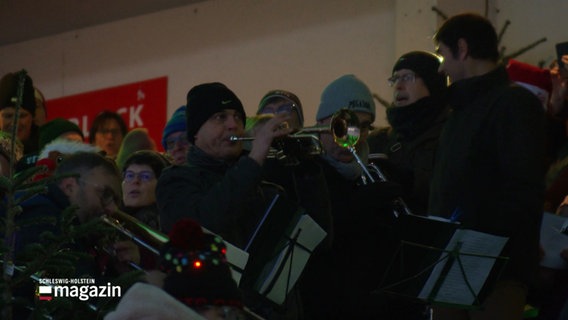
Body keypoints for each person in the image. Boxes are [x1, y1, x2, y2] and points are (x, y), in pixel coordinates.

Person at [429, 13, 545, 320]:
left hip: (497, 268)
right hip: (452, 262)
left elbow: (523, 189)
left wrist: (471, 227)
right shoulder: (459, 111)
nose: (441, 67)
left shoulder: (513, 104)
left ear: (463, 48)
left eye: (443, 54)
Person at [156, 82, 302, 319]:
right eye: (220, 117)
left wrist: (307, 170)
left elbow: (319, 238)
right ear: (196, 132)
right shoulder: (176, 180)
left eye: (237, 117)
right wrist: (254, 158)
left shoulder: (259, 179)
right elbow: (206, 224)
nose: (233, 124)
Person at [314, 74, 403, 318]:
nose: (355, 136)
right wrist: (360, 206)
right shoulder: (306, 170)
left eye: (364, 127)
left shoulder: (378, 170)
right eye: (344, 125)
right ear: (322, 122)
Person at [368, 51, 449, 216]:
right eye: (395, 79)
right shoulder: (380, 141)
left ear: (431, 83)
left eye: (407, 77)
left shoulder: (449, 135)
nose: (398, 86)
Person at [121, 150, 169, 231]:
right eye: (130, 175)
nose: (135, 181)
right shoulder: (110, 217)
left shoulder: (164, 224)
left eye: (145, 176)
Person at [0, 71, 40, 162]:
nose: (14, 122)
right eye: (8, 116)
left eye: (21, 116)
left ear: (33, 117)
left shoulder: (47, 151)